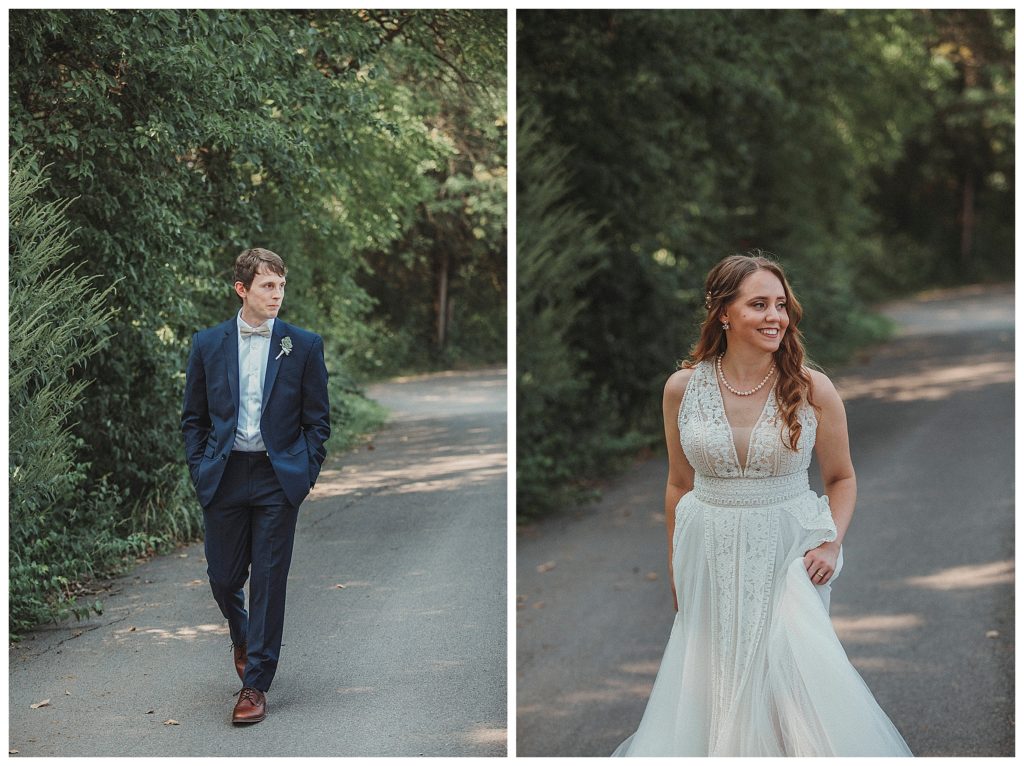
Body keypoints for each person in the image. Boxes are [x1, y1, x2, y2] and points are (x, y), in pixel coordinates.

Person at [612, 253, 912, 756]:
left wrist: (832, 544)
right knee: (716, 679)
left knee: (786, 679)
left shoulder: (813, 388)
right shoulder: (681, 389)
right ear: (724, 313)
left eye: (781, 305)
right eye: (759, 304)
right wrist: (674, 569)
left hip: (788, 552)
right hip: (708, 552)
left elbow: (842, 477)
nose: (776, 316)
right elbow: (678, 484)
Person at [181, 248, 330, 725]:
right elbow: (194, 419)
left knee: (268, 580)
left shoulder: (302, 345)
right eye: (268, 286)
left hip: (276, 478)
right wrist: (199, 467)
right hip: (223, 476)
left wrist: (303, 474)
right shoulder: (207, 344)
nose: (277, 295)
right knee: (224, 579)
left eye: (281, 286)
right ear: (242, 289)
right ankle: (241, 633)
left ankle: (255, 685)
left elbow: (318, 422)